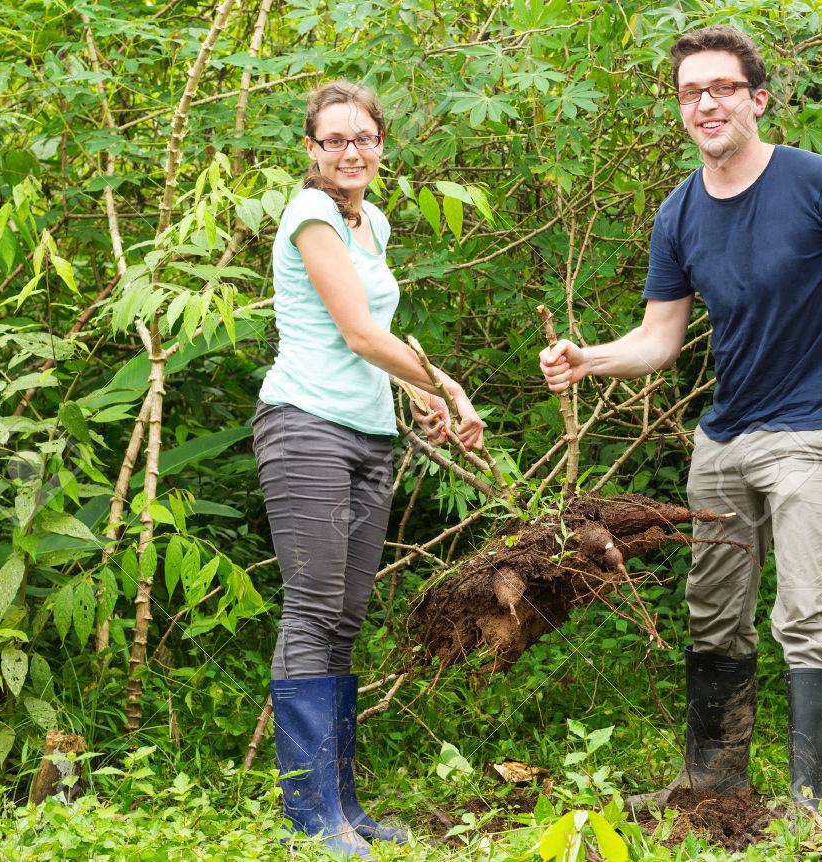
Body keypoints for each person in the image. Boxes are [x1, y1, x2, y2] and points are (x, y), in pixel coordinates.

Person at [539, 26, 822, 815]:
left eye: (721, 88)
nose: (705, 103)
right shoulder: (678, 213)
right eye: (690, 92)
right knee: (713, 613)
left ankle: (811, 804)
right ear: (680, 109)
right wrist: (587, 360)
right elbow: (658, 338)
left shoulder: (816, 183)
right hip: (722, 440)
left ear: (757, 99)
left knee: (806, 611)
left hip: (811, 432)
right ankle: (714, 783)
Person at [253, 80, 484, 857]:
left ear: (383, 143)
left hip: (366, 434)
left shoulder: (372, 221)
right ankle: (310, 818)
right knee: (313, 608)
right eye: (334, 140)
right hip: (305, 427)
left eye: (365, 138)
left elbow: (373, 333)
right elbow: (354, 332)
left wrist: (409, 392)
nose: (351, 152)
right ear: (310, 150)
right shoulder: (311, 215)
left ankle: (343, 807)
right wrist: (442, 385)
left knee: (345, 618)